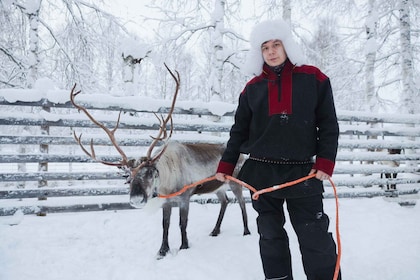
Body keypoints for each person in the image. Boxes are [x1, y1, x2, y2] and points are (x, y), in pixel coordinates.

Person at [215, 19, 341, 280]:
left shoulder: (314, 79)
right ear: (258, 53)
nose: (271, 51)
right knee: (270, 236)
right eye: (265, 47)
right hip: (261, 173)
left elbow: (328, 123)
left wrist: (325, 161)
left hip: (303, 173)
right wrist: (225, 166)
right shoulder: (252, 89)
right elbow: (238, 131)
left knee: (314, 235)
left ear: (287, 46)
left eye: (276, 45)